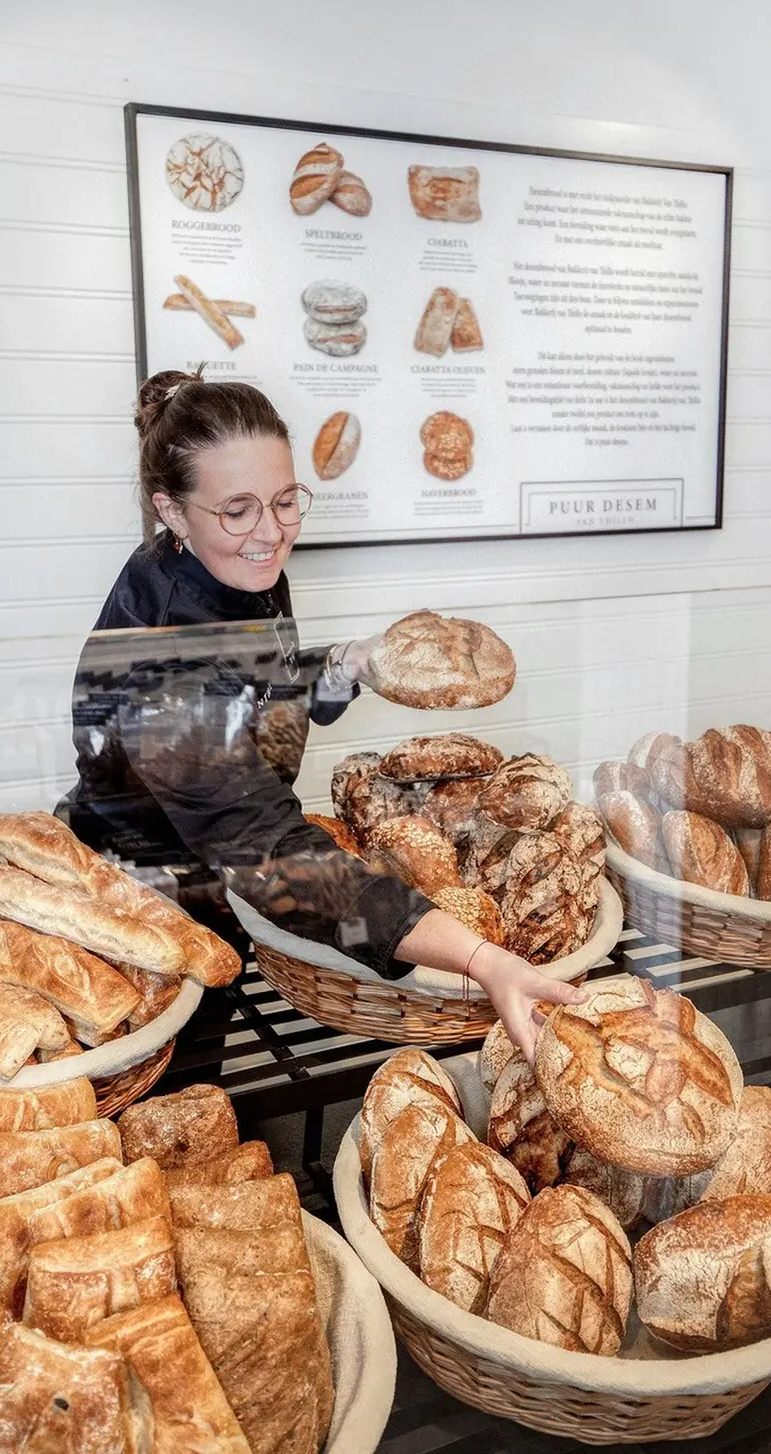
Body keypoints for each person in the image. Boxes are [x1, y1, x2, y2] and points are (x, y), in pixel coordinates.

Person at [59, 368, 583, 1058]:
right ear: (172, 511)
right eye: (238, 509)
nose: (271, 533)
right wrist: (484, 961)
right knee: (161, 1119)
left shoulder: (228, 569)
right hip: (138, 911)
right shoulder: (166, 657)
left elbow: (253, 695)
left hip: (216, 878)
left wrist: (347, 666)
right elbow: (273, 855)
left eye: (285, 501)